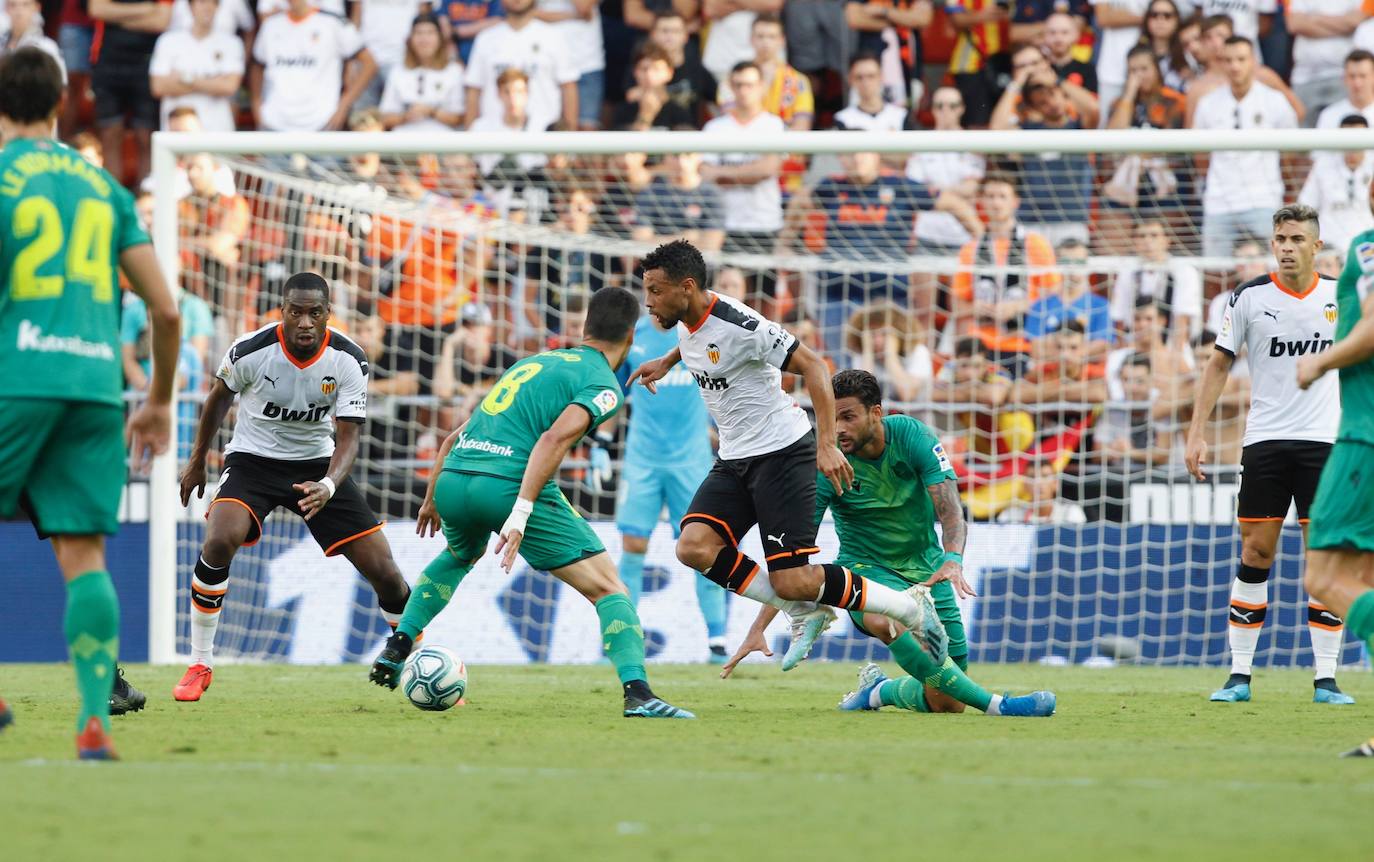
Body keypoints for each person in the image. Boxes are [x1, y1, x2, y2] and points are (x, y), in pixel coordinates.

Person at [369, 287, 695, 720]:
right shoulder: (603, 385)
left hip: (453, 478)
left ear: (584, 329)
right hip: (505, 487)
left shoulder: (534, 361)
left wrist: (432, 497)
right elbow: (553, 439)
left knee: (460, 553)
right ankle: (638, 693)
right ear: (631, 337)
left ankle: (398, 643)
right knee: (610, 589)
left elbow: (454, 435)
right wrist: (520, 512)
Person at [629, 240, 951, 659]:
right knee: (693, 547)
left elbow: (815, 366)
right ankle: (801, 610)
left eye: (655, 291)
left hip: (783, 453)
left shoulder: (742, 324)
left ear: (686, 287)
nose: (648, 302)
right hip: (734, 456)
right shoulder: (688, 317)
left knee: (795, 580)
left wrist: (827, 444)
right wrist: (669, 361)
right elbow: (701, 341)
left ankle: (908, 606)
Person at [0, 48, 180, 759]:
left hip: (15, 379)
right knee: (85, 556)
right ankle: (92, 723)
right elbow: (165, 310)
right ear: (62, 104)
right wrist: (159, 402)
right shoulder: (103, 185)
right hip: (97, 388)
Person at [721, 370, 1057, 717]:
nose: (838, 429)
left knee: (947, 703)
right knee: (886, 619)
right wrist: (759, 626)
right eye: (832, 419)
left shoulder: (912, 436)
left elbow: (951, 510)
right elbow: (792, 558)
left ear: (876, 413)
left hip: (927, 573)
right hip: (866, 571)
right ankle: (999, 707)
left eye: (848, 417)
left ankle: (879, 691)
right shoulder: (827, 465)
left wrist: (953, 559)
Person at [175, 273, 413, 703]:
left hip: (318, 465)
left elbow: (350, 438)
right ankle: (199, 662)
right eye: (296, 312)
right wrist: (196, 462)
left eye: (314, 313)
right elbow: (217, 400)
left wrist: (327, 483)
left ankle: (416, 663)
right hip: (252, 461)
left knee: (386, 573)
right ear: (282, 312)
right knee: (219, 540)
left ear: (327, 315)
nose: (305, 322)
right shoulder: (250, 350)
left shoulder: (348, 358)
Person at [1185, 205, 1353, 706]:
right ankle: (1239, 675)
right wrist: (1197, 432)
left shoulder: (1339, 297)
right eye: (1280, 238)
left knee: (1323, 558)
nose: (1285, 247)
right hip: (1264, 442)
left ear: (1316, 246)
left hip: (1326, 442)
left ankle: (1326, 679)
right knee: (1255, 553)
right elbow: (1219, 365)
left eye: (1296, 239)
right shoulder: (1249, 297)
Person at [1295, 184, 1374, 756]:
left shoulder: (1369, 246)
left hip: (1363, 438)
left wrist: (1319, 362)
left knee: (1323, 579)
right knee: (1363, 579)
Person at [614, 312, 729, 662]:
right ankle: (625, 635)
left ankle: (718, 640)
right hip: (643, 459)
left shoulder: (699, 335)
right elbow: (614, 394)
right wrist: (602, 447)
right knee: (633, 544)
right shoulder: (634, 336)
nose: (653, 303)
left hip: (691, 461)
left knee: (704, 546)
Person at [1191, 37, 1299, 260]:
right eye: (1228, 60)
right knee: (1214, 272)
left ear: (1253, 61)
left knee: (1269, 270)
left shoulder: (1274, 101)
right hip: (1219, 202)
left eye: (1241, 59)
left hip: (1263, 200)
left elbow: (1290, 153)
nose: (1235, 66)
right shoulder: (1207, 104)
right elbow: (1200, 157)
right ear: (1221, 63)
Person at [251, 0, 377, 132]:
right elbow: (257, 65)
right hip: (275, 123)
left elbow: (370, 63)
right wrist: (256, 103)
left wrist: (344, 104)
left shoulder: (333, 22)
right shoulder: (271, 25)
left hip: (322, 122)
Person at [700, 61, 784, 255]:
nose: (744, 91)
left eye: (749, 85)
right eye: (738, 85)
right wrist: (749, 173)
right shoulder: (715, 127)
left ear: (762, 86)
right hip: (722, 224)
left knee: (762, 285)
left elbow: (767, 170)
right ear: (730, 86)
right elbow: (705, 173)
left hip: (764, 222)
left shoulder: (773, 125)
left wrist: (723, 175)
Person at [89, 0, 171, 182]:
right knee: (110, 134)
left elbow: (161, 21)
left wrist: (116, 18)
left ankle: (146, 203)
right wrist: (146, 9)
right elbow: (97, 8)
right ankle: (113, 203)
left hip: (147, 62)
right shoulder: (146, 6)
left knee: (146, 137)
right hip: (108, 59)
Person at [463, 0, 577, 129]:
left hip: (543, 139)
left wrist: (569, 135)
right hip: (493, 140)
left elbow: (568, 87)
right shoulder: (485, 39)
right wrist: (469, 137)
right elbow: (474, 89)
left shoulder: (554, 37)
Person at [149, 0, 244, 132]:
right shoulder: (168, 41)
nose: (207, 8)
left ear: (218, 7)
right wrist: (213, 83)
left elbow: (229, 87)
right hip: (177, 132)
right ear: (190, 6)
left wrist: (184, 79)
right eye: (202, 2)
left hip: (218, 131)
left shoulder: (232, 43)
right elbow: (158, 87)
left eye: (213, 3)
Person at [1109, 218, 1203, 348]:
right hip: (1134, 345)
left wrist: (1174, 356)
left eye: (1154, 235)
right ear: (1134, 242)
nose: (1147, 241)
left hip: (1174, 346)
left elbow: (1183, 319)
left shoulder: (1184, 271)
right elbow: (1119, 317)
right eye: (1142, 236)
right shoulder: (1127, 272)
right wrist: (1126, 351)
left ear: (1167, 240)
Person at [1299, 114, 1374, 258]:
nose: (1352, 145)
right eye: (1347, 139)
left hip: (1369, 246)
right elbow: (1305, 208)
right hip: (1329, 249)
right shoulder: (1323, 166)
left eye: (1357, 139)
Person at [378, 12, 465, 132]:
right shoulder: (398, 71)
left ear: (440, 38)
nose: (424, 39)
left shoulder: (454, 71)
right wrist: (406, 116)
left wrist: (430, 111)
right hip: (403, 143)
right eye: (419, 33)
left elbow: (459, 118)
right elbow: (385, 117)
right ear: (410, 39)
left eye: (430, 33)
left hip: (443, 144)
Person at [631, 151, 726, 250]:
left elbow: (711, 246)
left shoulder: (712, 194)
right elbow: (641, 243)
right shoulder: (650, 192)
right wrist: (686, 238)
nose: (681, 162)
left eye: (688, 155)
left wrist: (657, 241)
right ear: (665, 158)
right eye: (676, 155)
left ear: (699, 157)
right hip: (660, 264)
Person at [1286, 0, 1364, 118]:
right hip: (1305, 77)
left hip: (1342, 76)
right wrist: (1342, 25)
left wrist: (1314, 18)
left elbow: (1355, 21)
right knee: (1304, 134)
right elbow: (1295, 24)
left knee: (1345, 130)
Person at [534, 0, 603, 130]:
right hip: (545, 62)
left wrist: (572, 15)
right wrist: (572, 16)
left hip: (585, 63)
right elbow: (528, 12)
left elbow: (583, 7)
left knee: (585, 136)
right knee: (544, 130)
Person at [833, 52, 912, 132]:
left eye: (871, 76)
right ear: (850, 80)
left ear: (881, 77)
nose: (865, 83)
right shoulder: (843, 119)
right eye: (859, 77)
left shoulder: (900, 116)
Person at [0, 0, 66, 76]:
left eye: (25, 5)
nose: (19, 12)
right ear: (6, 8)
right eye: (13, 5)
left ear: (37, 8)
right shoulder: (2, 43)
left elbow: (60, 83)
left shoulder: (47, 47)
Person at [1315, 49, 1374, 130]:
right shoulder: (1329, 115)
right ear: (1344, 78)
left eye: (1363, 76)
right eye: (1352, 76)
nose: (1357, 83)